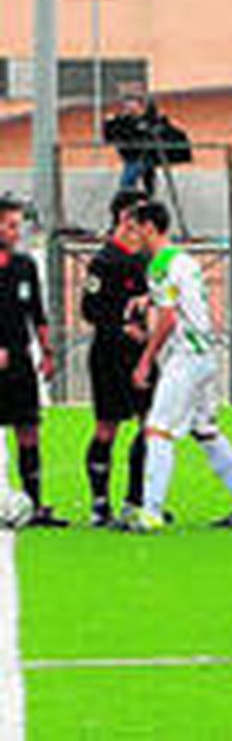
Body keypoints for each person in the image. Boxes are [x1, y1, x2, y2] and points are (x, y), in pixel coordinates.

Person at [127, 201, 232, 532]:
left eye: (135, 228)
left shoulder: (159, 265)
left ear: (149, 227)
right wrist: (148, 300)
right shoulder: (184, 260)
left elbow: (168, 319)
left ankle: (151, 512)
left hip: (186, 356)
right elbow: (181, 299)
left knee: (157, 429)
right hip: (205, 353)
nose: (133, 236)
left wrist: (146, 360)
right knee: (205, 430)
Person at [81, 189, 154, 527]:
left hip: (141, 354)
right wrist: (122, 327)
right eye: (141, 214)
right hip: (109, 354)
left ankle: (134, 501)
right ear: (125, 218)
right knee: (107, 427)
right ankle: (99, 504)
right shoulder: (104, 261)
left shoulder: (146, 259)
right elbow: (89, 309)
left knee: (150, 424)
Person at [0, 196, 62, 527]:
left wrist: (47, 352)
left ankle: (35, 504)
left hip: (20, 361)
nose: (16, 232)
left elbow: (37, 313)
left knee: (28, 429)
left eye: (17, 225)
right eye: (10, 225)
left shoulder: (24, 266)